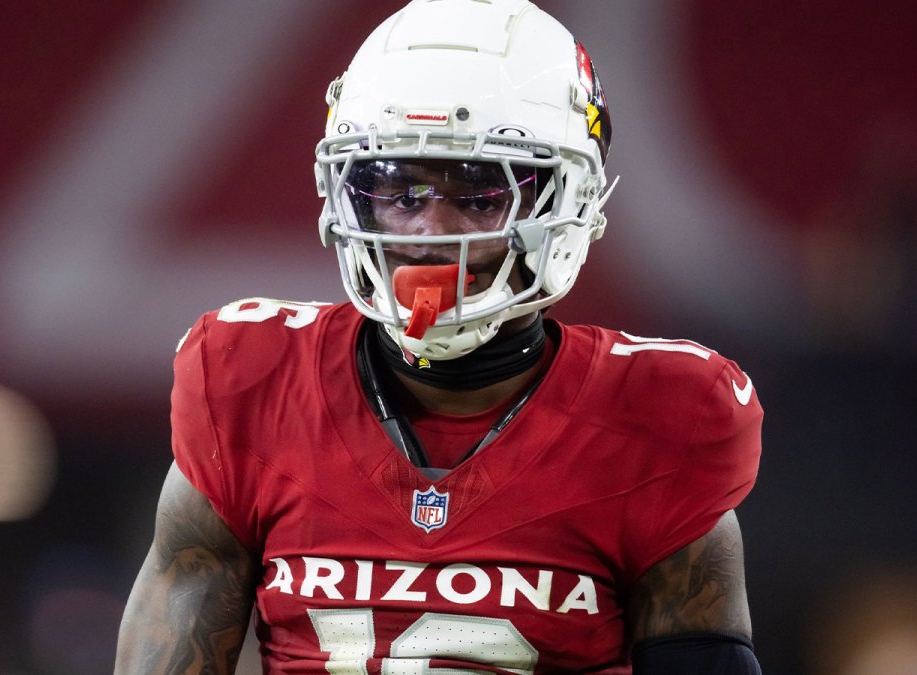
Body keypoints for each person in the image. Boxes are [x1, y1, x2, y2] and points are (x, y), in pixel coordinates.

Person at [115, 1, 763, 672]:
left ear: (568, 202)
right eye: (401, 191)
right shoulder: (252, 383)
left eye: (481, 195)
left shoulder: (656, 421)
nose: (432, 232)